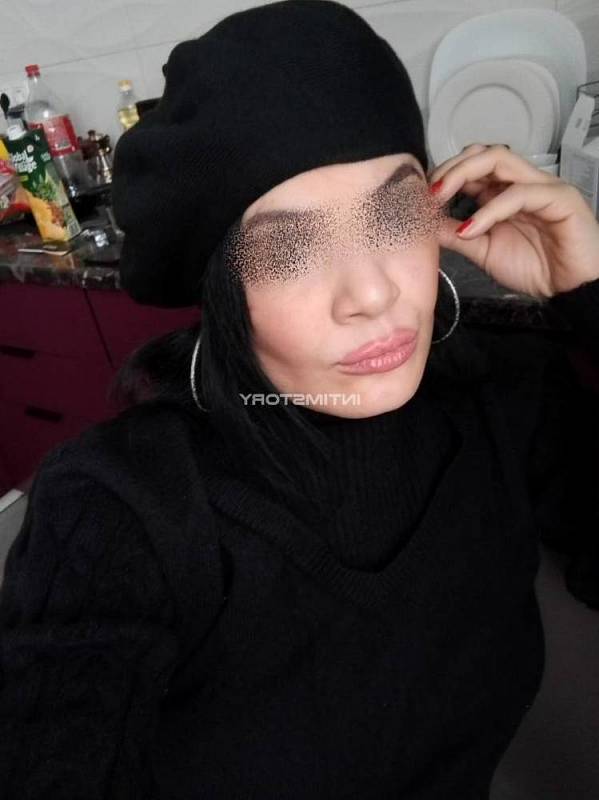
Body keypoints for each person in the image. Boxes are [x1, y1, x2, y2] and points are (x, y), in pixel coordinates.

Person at [0, 1, 598, 798]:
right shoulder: (120, 510)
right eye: (289, 250)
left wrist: (591, 292)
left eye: (393, 216)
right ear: (221, 287)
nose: (373, 294)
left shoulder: (509, 398)